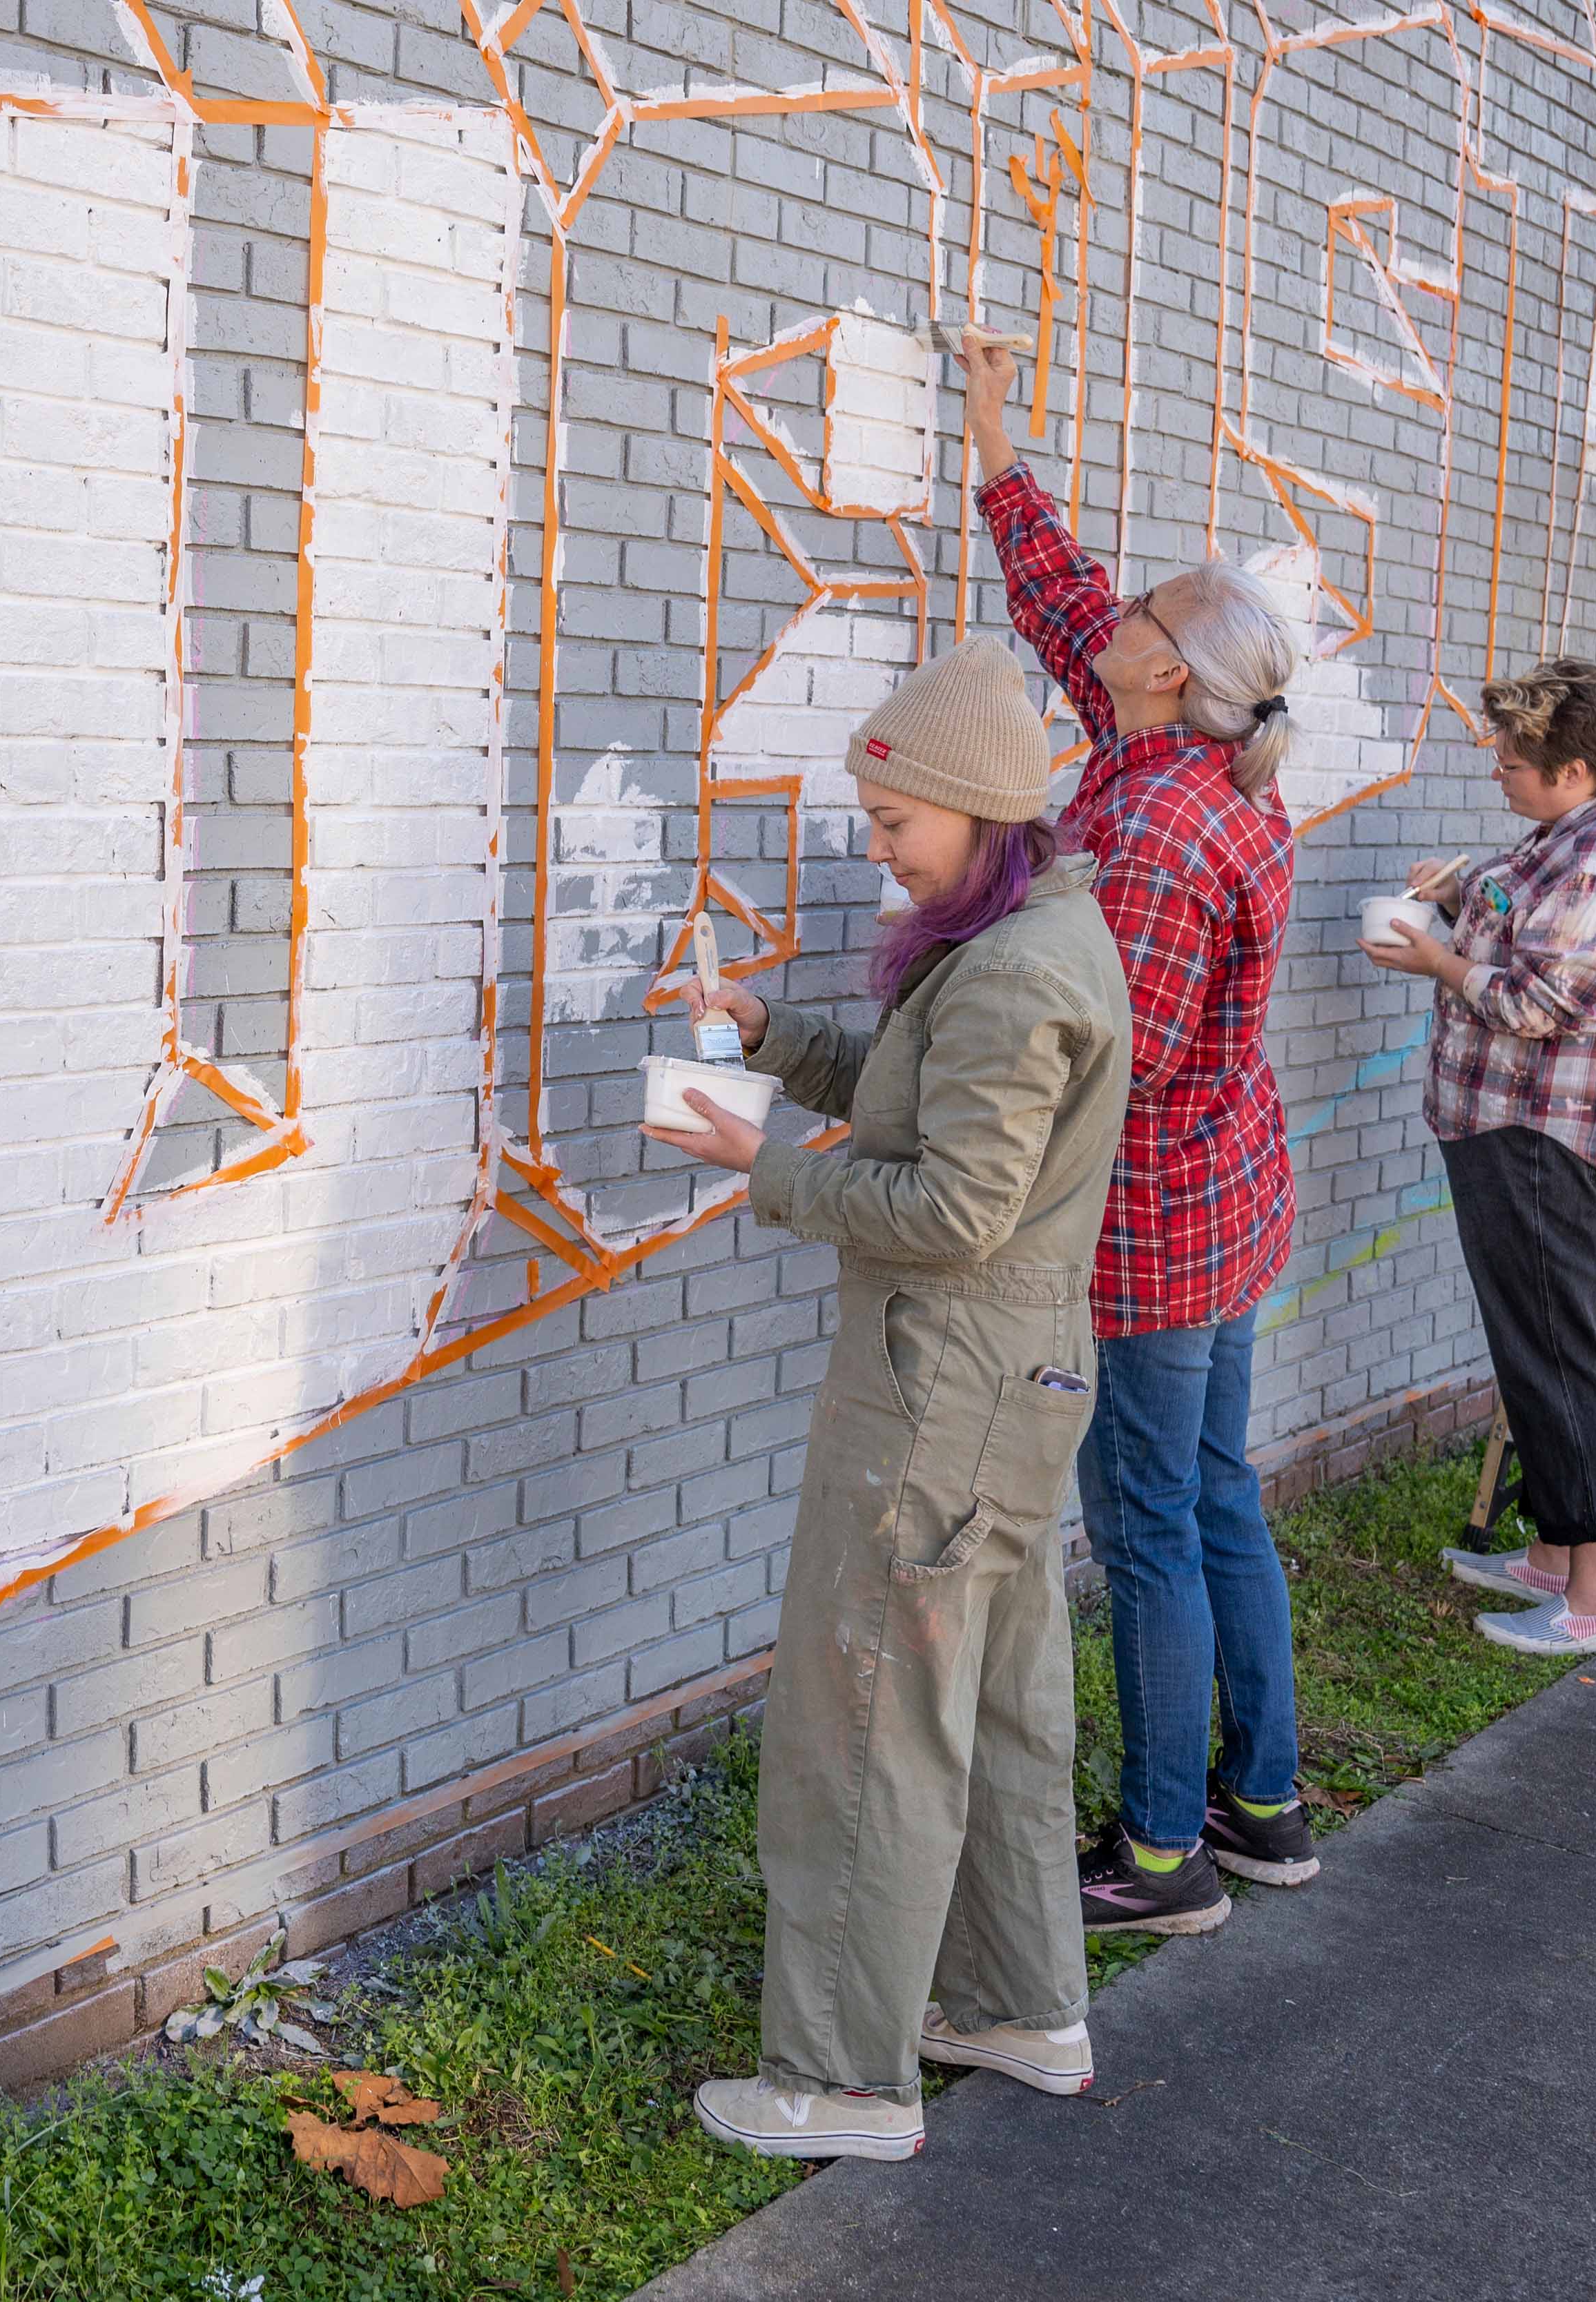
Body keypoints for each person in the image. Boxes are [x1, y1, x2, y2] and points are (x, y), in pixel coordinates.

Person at [663, 638, 1132, 2162]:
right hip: (1015, 1378)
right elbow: (931, 1100)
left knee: (866, 1715)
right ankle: (1019, 2005)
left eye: (896, 818)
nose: (879, 844)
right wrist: (772, 1038)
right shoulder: (1040, 936)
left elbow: (953, 1208)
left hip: (943, 1378)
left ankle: (845, 2079)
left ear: (978, 807)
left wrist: (765, 1169)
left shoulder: (1009, 967)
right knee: (992, 1706)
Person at [951, 326, 1312, 1935]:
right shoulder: (1171, 747)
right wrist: (990, 434)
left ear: (1173, 669)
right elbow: (1070, 597)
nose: (1122, 617)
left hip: (1157, 1227)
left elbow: (1128, 1054)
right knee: (1218, 1494)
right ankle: (1264, 1800)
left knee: (1155, 1526)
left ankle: (1166, 1848)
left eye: (1150, 613)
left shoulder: (1163, 828)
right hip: (1225, 1204)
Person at [1365, 659, 1596, 1656]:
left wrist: (1437, 959)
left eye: (1516, 763)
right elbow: (1532, 901)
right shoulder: (1590, 829)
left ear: (1577, 768)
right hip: (1528, 1132)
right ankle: (1557, 1557)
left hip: (1552, 1139)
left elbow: (1540, 1002)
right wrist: (1465, 884)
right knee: (1539, 1342)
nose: (1502, 774)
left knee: (1561, 1352)